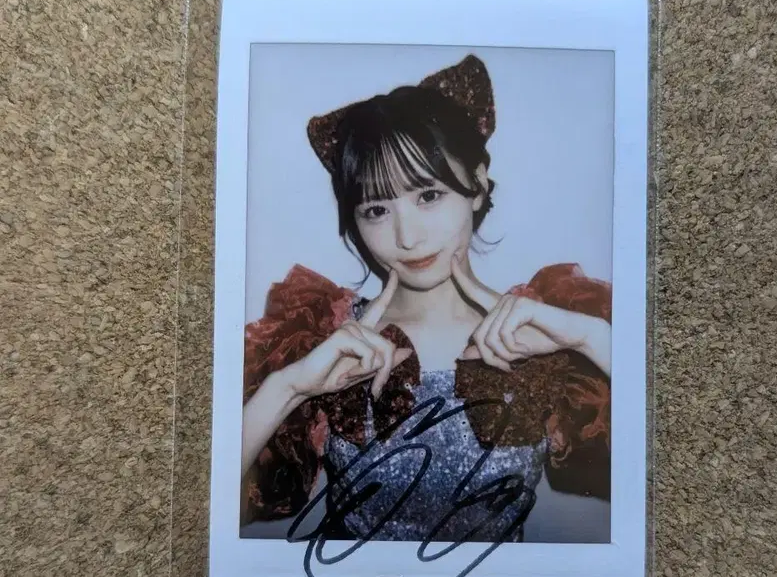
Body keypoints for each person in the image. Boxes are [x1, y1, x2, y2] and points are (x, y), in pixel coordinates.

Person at [241, 54, 612, 544]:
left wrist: (589, 338)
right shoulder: (324, 339)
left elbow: (676, 478)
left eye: (429, 196)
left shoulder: (547, 329)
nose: (407, 237)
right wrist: (289, 387)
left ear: (477, 183)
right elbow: (194, 510)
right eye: (376, 209)